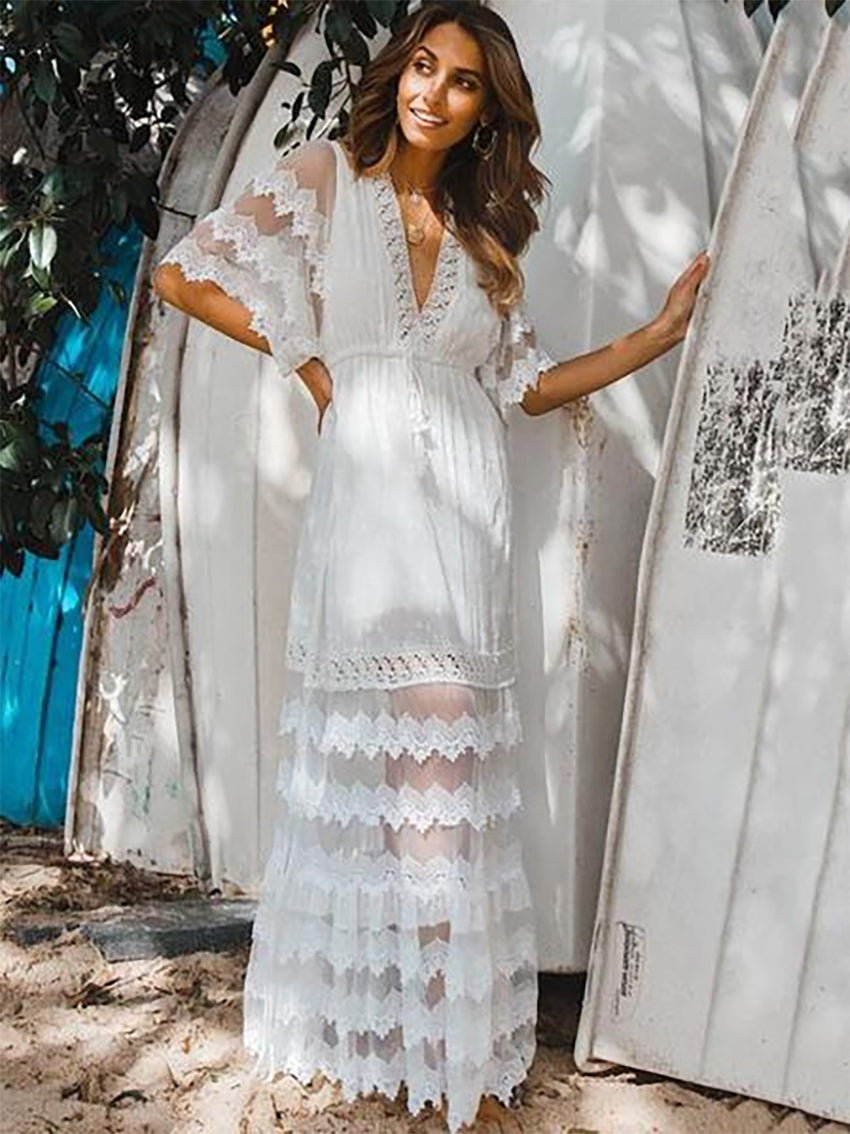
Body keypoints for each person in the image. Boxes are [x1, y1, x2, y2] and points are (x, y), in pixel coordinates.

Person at [152, 2, 709, 1129]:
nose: (433, 92)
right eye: (422, 65)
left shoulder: (482, 235)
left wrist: (653, 337)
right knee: (401, 781)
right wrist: (315, 365)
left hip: (463, 519)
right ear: (396, 70)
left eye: (462, 83)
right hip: (366, 521)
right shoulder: (325, 178)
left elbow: (525, 387)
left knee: (442, 790)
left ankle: (442, 1044)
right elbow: (184, 275)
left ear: (485, 111)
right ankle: (397, 1034)